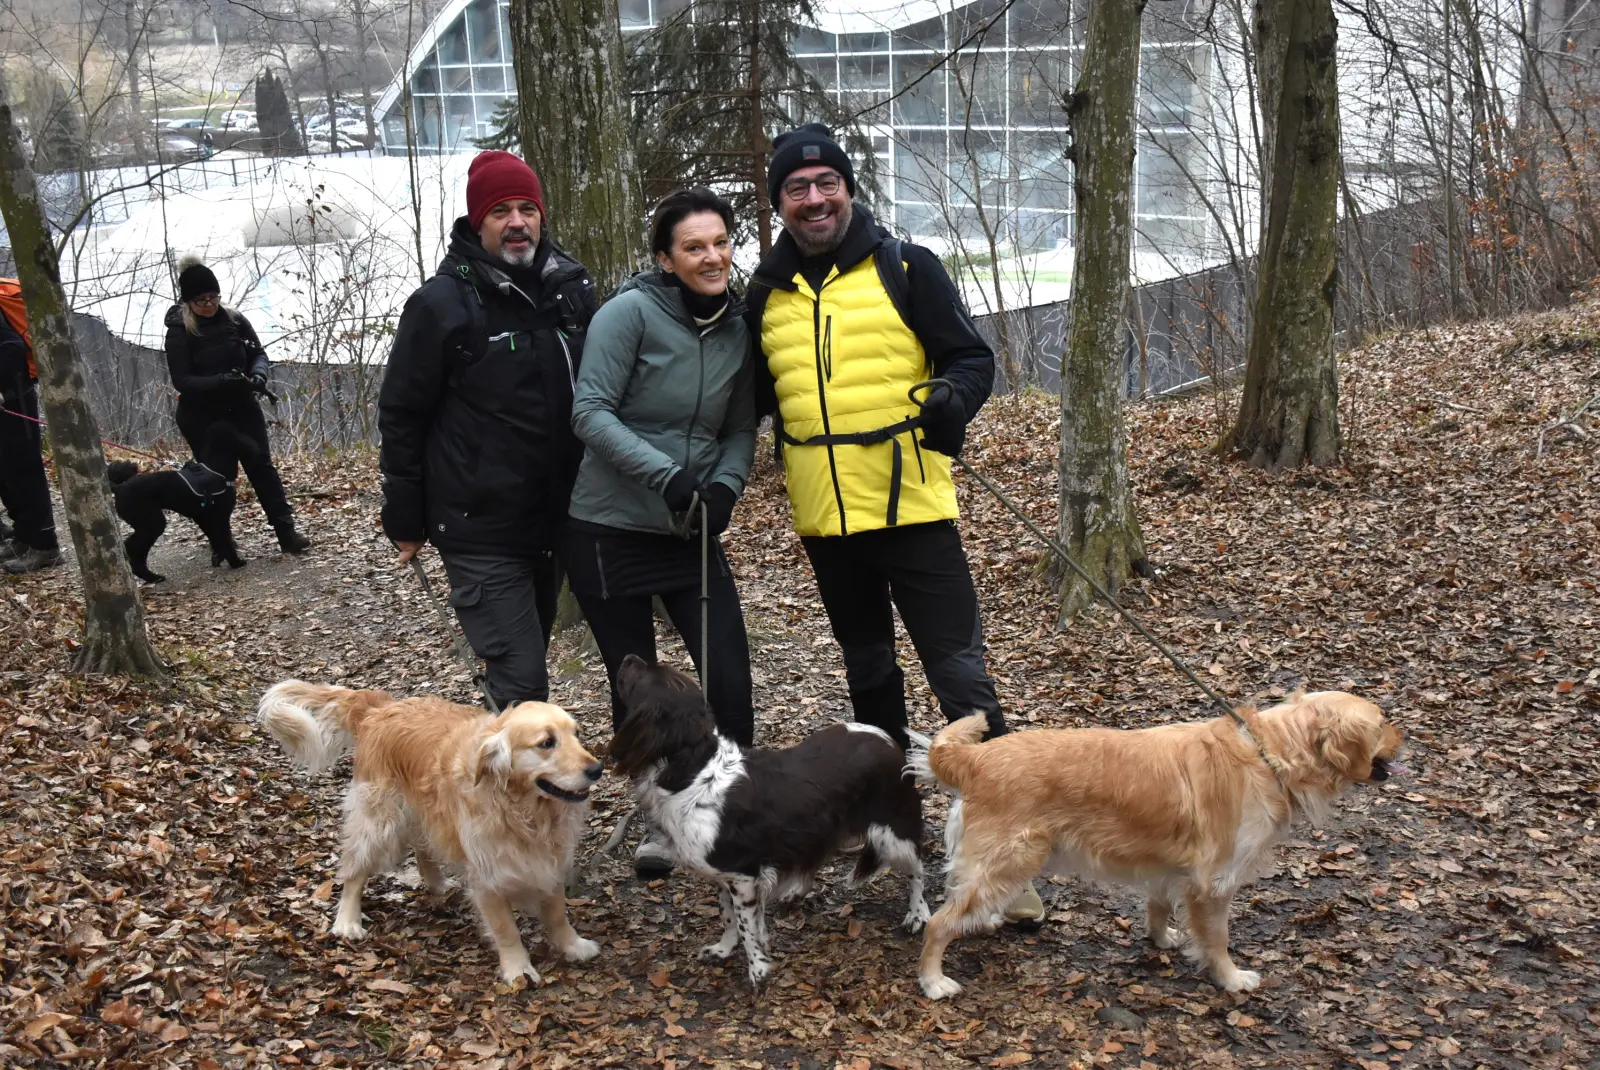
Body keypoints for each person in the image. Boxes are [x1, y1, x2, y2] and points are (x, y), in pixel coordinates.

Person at [747, 123, 1045, 923]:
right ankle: (889, 830)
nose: (814, 199)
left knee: (961, 680)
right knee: (870, 677)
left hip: (912, 507)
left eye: (826, 183)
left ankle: (1008, 856)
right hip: (827, 520)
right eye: (797, 188)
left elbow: (970, 359)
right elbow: (746, 398)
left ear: (848, 188)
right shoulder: (765, 295)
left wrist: (952, 400)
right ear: (779, 204)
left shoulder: (907, 266)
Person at [564, 187, 756, 877]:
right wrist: (665, 474)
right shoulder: (628, 314)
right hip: (608, 526)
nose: (712, 257)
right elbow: (590, 411)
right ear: (666, 260)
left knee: (727, 675)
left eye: (720, 243)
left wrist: (726, 486)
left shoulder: (738, 328)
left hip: (688, 529)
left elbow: (740, 426)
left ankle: (730, 803)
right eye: (693, 247)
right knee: (636, 687)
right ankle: (657, 819)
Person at [378, 150, 597, 711]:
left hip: (558, 520)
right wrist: (404, 517)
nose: (517, 222)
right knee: (522, 686)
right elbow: (402, 413)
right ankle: (501, 769)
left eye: (528, 209)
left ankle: (494, 760)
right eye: (501, 211)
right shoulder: (442, 304)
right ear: (478, 222)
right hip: (480, 528)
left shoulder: (570, 289)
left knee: (525, 673)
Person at [164, 255, 311, 557]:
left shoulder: (235, 320)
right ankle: (221, 542)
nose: (209, 304)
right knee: (218, 479)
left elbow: (259, 354)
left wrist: (258, 374)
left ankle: (287, 533)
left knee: (262, 468)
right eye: (201, 300)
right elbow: (182, 380)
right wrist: (220, 381)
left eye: (214, 297)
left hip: (243, 407)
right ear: (188, 302)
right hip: (203, 417)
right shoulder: (179, 330)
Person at [0, 309, 62, 574]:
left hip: (15, 400)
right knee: (6, 475)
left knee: (26, 471)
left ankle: (46, 545)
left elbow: (11, 347)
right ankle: (24, 537)